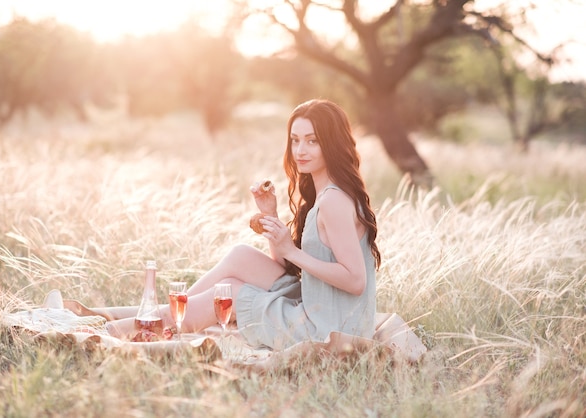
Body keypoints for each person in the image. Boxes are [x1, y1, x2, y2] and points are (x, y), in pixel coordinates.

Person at [66, 99, 425, 357]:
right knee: (239, 258)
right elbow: (296, 265)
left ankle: (113, 330)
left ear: (332, 143)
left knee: (232, 293)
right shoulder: (326, 193)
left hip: (327, 327)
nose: (300, 149)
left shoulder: (332, 201)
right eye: (295, 140)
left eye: (312, 140)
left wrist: (290, 250)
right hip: (319, 303)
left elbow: (354, 279)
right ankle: (161, 315)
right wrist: (271, 217)